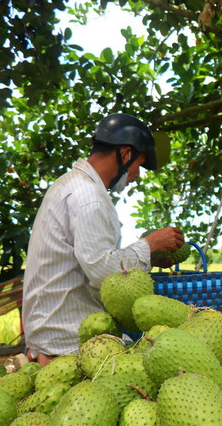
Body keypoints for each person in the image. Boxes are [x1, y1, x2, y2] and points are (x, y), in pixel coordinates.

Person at [22, 113, 184, 365]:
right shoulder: (89, 197)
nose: (137, 175)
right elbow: (102, 271)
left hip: (52, 330)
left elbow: (95, 261)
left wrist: (149, 255)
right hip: (67, 337)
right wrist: (149, 244)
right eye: (138, 165)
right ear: (126, 154)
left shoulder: (71, 184)